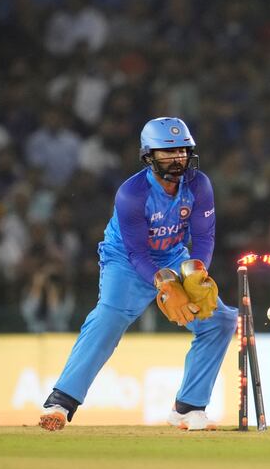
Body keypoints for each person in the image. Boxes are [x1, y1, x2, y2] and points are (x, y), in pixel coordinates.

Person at [39, 117, 237, 431]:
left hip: (172, 254)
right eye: (167, 153)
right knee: (109, 318)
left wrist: (196, 274)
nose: (178, 159)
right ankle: (60, 402)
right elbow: (137, 253)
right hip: (126, 262)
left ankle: (188, 408)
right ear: (149, 156)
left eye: (183, 151)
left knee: (221, 321)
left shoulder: (199, 184)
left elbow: (203, 238)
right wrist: (165, 283)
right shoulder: (132, 193)